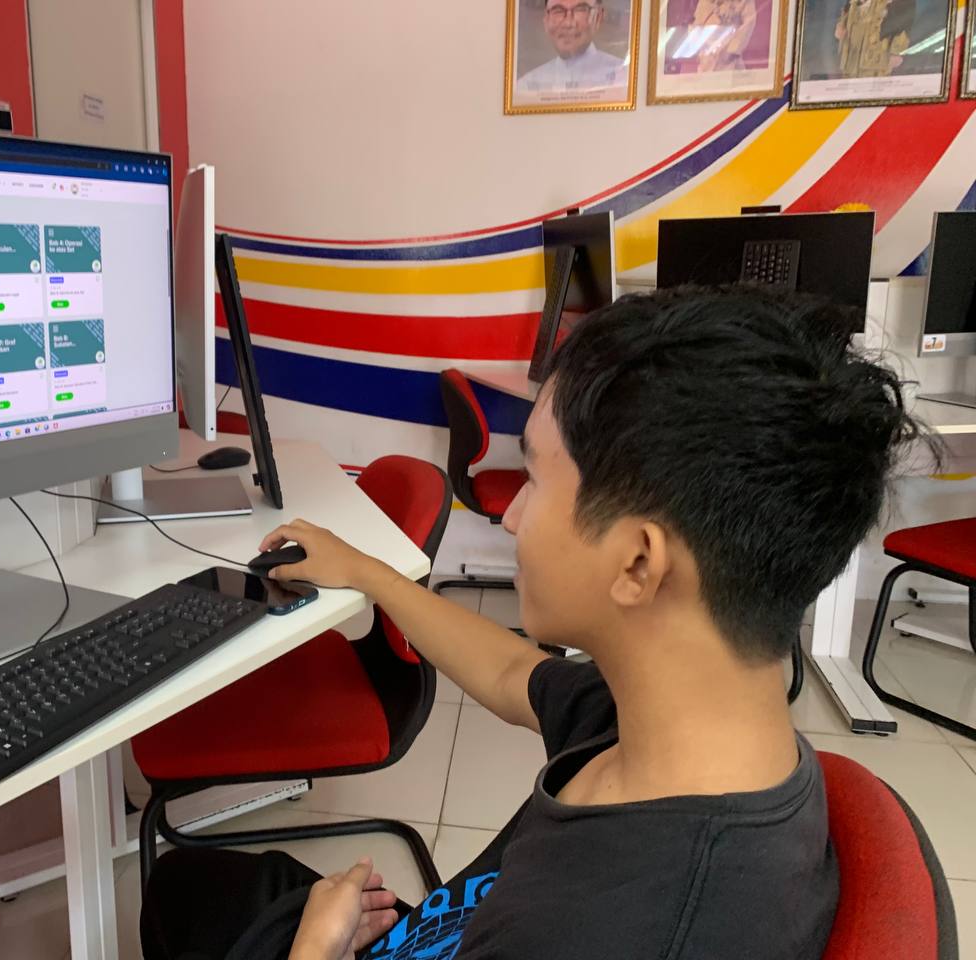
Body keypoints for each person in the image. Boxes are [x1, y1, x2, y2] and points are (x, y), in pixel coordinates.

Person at [141, 286, 925, 960]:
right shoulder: (683, 719)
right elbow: (516, 672)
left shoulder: (611, 928)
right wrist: (370, 572)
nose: (512, 515)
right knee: (193, 886)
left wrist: (314, 947)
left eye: (535, 479)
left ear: (638, 563)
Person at [515, 0, 626, 95]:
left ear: (598, 17)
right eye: (558, 11)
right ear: (546, 20)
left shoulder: (625, 79)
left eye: (580, 10)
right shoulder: (524, 87)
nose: (568, 24)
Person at [835, 0, 910, 77]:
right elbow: (845, 15)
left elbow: (902, 22)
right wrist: (841, 25)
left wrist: (896, 52)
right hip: (852, 61)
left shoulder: (891, 4)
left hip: (876, 61)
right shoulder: (853, 3)